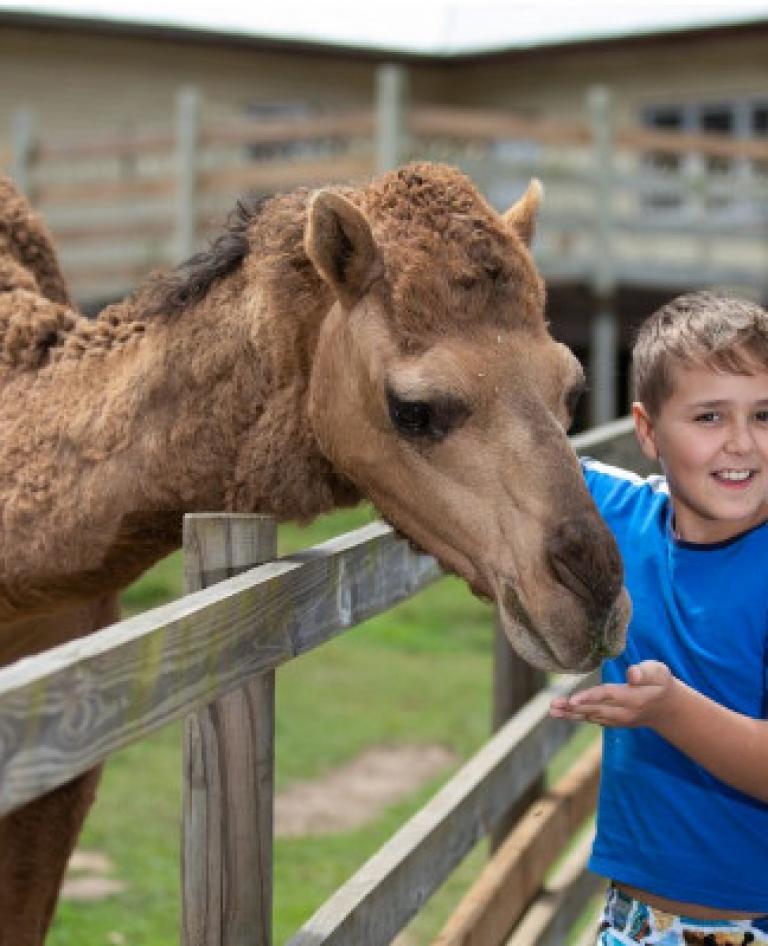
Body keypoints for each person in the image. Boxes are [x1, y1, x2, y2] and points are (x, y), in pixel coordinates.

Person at [549, 292, 768, 945]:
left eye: (765, 415)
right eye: (708, 416)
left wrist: (670, 710)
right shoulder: (615, 515)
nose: (742, 443)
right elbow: (501, 457)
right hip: (634, 923)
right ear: (647, 432)